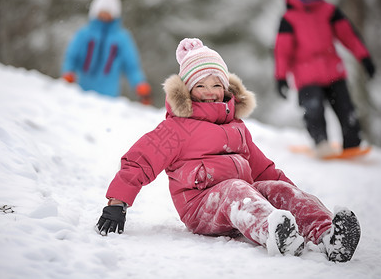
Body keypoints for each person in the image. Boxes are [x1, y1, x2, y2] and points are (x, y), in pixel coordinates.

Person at [96, 38, 361, 262]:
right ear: (187, 90)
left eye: (215, 85)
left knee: (275, 188)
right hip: (201, 206)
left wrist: (291, 196)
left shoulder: (237, 127)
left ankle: (330, 236)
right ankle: (276, 234)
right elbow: (140, 160)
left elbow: (264, 169)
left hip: (244, 197)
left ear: (225, 88)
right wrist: (118, 202)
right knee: (235, 189)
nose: (209, 92)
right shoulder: (176, 128)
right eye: (200, 85)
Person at [274, 0, 376, 158]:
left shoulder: (329, 11)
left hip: (333, 71)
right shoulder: (289, 19)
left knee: (347, 111)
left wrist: (364, 57)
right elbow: (282, 51)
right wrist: (281, 77)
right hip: (306, 75)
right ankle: (321, 143)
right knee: (313, 111)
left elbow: (349, 36)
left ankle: (352, 145)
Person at [61, 0, 152, 105]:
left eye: (108, 13)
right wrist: (68, 72)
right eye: (101, 12)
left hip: (108, 99)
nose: (104, 16)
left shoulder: (122, 38)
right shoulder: (84, 34)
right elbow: (71, 56)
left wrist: (140, 84)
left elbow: (131, 66)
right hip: (81, 95)